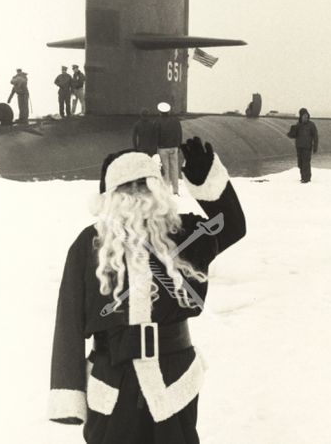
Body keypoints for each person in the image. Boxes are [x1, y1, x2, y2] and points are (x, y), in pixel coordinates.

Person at [48, 137, 246, 444]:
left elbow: (231, 225)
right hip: (113, 383)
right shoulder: (88, 245)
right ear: (110, 196)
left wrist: (205, 181)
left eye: (144, 185)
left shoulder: (184, 234)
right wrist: (68, 395)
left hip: (174, 378)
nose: (136, 194)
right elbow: (68, 322)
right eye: (127, 188)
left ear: (158, 189)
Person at [154, 102, 182, 195]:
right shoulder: (176, 121)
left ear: (160, 112)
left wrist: (156, 147)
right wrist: (179, 146)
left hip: (163, 148)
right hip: (174, 147)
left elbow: (156, 135)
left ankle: (166, 190)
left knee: (165, 169)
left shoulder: (157, 121)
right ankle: (175, 190)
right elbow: (179, 134)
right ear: (169, 111)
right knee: (175, 169)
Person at [287, 107, 319, 183]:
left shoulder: (311, 125)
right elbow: (293, 135)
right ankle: (303, 177)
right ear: (301, 116)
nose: (306, 117)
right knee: (300, 163)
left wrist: (315, 147)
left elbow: (315, 136)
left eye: (306, 115)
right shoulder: (298, 125)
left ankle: (307, 178)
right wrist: (290, 133)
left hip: (307, 147)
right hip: (299, 146)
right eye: (304, 116)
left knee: (306, 163)